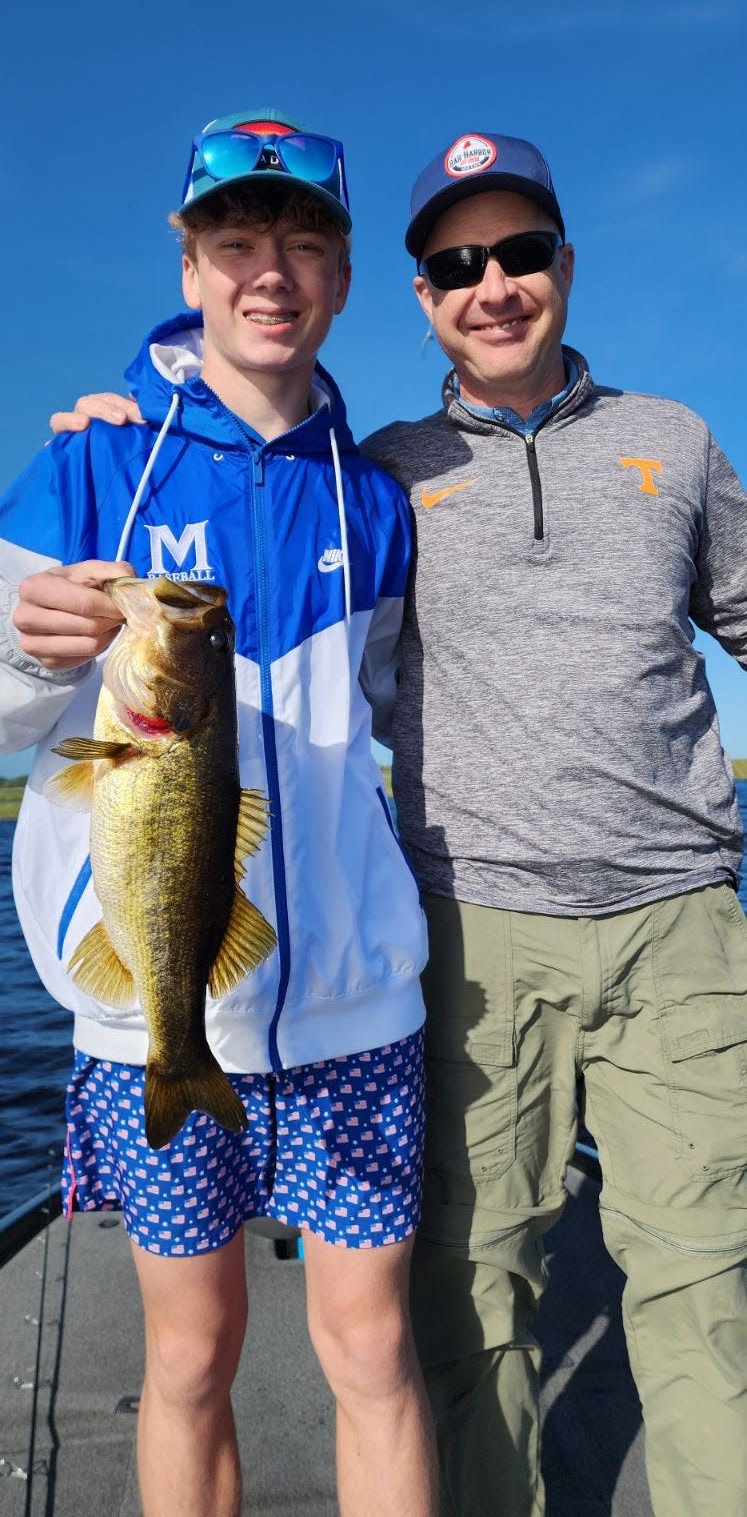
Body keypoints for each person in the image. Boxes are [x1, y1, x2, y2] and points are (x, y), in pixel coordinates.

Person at [58, 128, 747, 1517]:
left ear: (564, 265)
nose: (493, 284)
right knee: (469, 1295)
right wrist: (135, 401)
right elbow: (242, 452)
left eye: (522, 253)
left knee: (708, 1282)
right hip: (474, 930)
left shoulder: (674, 441)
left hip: (680, 924)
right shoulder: (381, 474)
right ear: (420, 294)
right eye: (457, 262)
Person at [0, 107, 438, 1517]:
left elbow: (405, 720)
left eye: (305, 244)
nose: (271, 272)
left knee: (374, 1349)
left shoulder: (375, 499)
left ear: (345, 279)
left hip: (356, 1018)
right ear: (188, 268)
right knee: (191, 1358)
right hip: (149, 1018)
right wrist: (26, 651)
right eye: (237, 241)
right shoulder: (87, 468)